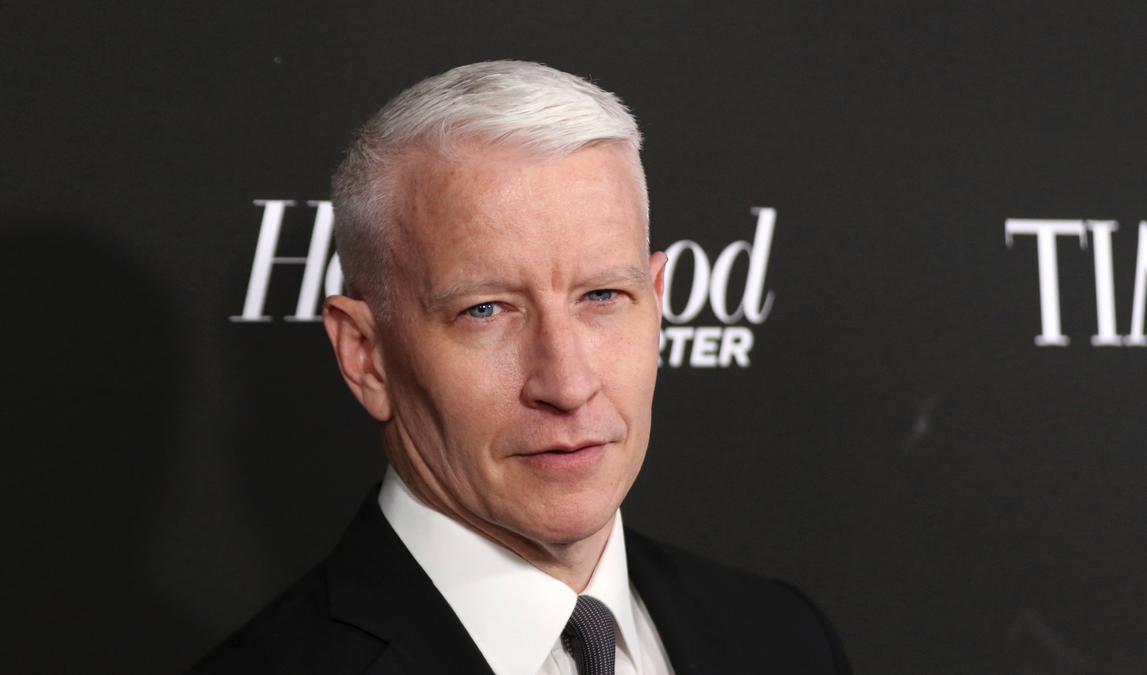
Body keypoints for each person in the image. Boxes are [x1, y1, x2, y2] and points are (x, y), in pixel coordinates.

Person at [191, 60, 851, 675]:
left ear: (657, 305)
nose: (567, 384)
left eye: (602, 296)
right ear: (367, 356)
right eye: (487, 310)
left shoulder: (784, 638)